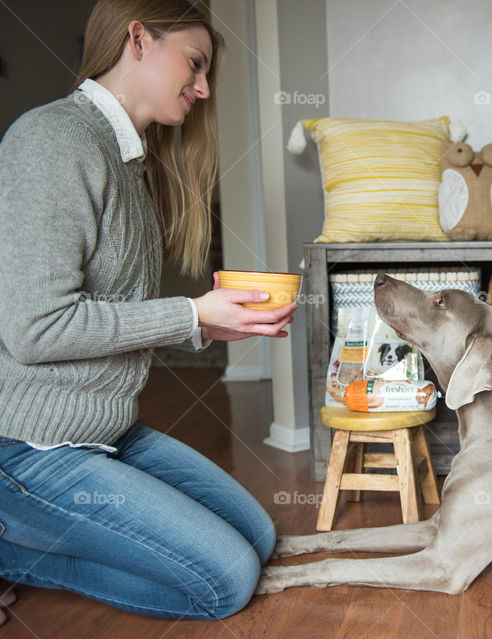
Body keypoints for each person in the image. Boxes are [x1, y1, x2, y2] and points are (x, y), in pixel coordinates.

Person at [0, 0, 295, 621]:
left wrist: (207, 324)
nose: (204, 87)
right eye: (195, 62)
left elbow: (109, 315)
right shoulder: (53, 140)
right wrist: (188, 314)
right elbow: (35, 330)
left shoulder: (130, 162)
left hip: (104, 431)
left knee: (260, 538)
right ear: (138, 39)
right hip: (29, 446)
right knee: (224, 581)